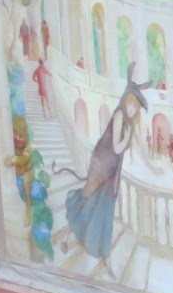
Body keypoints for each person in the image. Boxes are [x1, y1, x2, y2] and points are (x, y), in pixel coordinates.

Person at [63, 68, 152, 278]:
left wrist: (153, 167)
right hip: (101, 164)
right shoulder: (119, 115)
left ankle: (106, 255)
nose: (132, 108)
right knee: (86, 198)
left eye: (135, 106)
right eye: (130, 103)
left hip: (112, 170)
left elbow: (139, 147)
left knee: (105, 208)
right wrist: (127, 137)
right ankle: (68, 235)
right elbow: (117, 147)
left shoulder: (129, 122)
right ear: (124, 101)